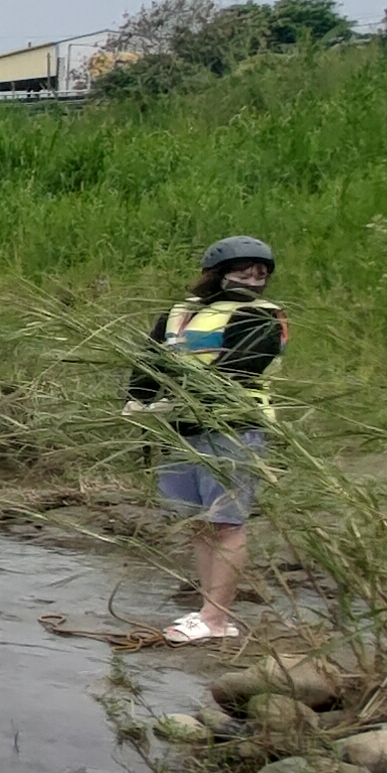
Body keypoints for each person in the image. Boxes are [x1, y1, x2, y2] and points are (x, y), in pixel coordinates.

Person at [127, 235, 284, 645]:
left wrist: (182, 396)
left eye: (261, 271)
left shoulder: (262, 318)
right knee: (198, 524)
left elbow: (241, 368)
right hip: (180, 430)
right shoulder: (178, 314)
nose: (254, 277)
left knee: (227, 522)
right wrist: (139, 399)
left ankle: (214, 617)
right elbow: (150, 359)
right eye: (245, 269)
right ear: (217, 273)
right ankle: (209, 611)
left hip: (233, 427)